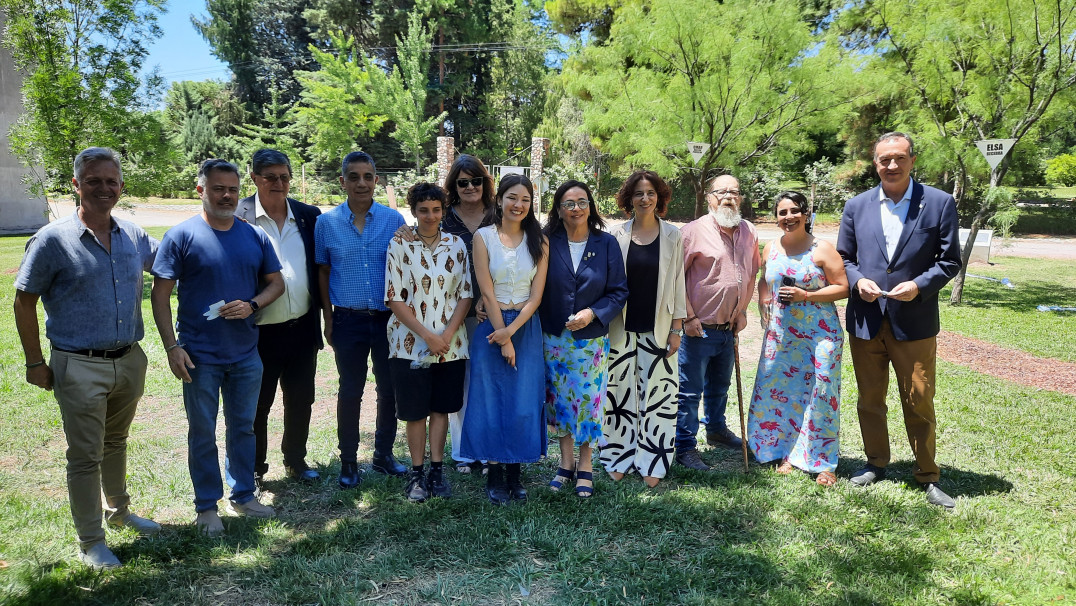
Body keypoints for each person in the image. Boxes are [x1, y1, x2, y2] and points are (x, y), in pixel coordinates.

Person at [14, 147, 160, 569]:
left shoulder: (133, 235)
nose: (104, 188)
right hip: (78, 365)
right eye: (93, 180)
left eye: (111, 181)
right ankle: (91, 541)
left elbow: (175, 265)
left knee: (116, 442)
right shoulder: (52, 240)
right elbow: (24, 302)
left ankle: (119, 512)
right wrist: (34, 362)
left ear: (121, 186)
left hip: (130, 359)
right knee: (84, 455)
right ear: (76, 184)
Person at [151, 159, 284, 537]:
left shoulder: (253, 235)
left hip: (245, 354)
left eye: (232, 189)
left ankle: (243, 494)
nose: (226, 195)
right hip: (199, 356)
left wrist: (252, 304)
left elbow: (277, 284)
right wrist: (172, 347)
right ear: (201, 191)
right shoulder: (181, 236)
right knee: (202, 431)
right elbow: (160, 298)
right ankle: (206, 506)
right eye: (217, 188)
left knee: (243, 428)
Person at [836, 132, 962, 509]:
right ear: (875, 163)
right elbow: (844, 257)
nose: (891, 165)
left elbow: (950, 260)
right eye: (884, 159)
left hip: (914, 321)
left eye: (899, 158)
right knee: (870, 399)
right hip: (866, 320)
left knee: (919, 398)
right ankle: (876, 462)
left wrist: (919, 285)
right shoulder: (856, 206)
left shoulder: (938, 203)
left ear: (912, 160)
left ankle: (927, 473)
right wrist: (858, 282)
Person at [394, 154, 496, 475]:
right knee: (458, 386)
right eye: (462, 182)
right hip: (450, 314)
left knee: (487, 382)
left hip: (494, 312)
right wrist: (405, 231)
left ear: (485, 183)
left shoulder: (497, 215)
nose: (470, 187)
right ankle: (464, 451)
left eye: (476, 180)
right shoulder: (444, 218)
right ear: (453, 186)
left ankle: (489, 447)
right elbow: (421, 229)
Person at [315, 151, 408, 489]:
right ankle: (349, 460)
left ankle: (383, 455)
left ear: (376, 181)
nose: (361, 183)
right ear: (342, 181)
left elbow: (405, 271)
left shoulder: (393, 220)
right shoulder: (326, 224)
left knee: (389, 388)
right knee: (350, 390)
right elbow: (323, 272)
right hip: (348, 320)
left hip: (388, 320)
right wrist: (328, 318)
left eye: (368, 176)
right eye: (353, 177)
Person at [747, 191, 848, 486]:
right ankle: (786, 452)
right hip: (782, 335)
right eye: (782, 212)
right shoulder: (771, 248)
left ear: (805, 215)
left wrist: (808, 295)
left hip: (821, 334)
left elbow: (843, 287)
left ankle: (823, 462)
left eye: (794, 211)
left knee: (822, 394)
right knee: (783, 393)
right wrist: (763, 304)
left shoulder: (822, 249)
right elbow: (764, 280)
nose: (788, 217)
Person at [460, 174, 549, 504]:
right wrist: (502, 335)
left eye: (525, 199)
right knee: (490, 400)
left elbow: (536, 296)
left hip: (525, 326)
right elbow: (486, 289)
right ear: (499, 200)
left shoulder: (539, 241)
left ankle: (515, 473)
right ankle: (494, 473)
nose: (519, 205)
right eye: (513, 197)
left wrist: (511, 333)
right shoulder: (483, 238)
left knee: (523, 401)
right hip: (491, 327)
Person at [236, 149, 323, 488]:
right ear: (254, 177)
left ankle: (295, 459)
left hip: (301, 327)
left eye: (284, 177)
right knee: (257, 405)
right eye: (270, 176)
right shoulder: (239, 215)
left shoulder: (308, 216)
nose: (279, 183)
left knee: (301, 399)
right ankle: (255, 468)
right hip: (257, 332)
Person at [539, 180, 628, 498]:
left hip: (590, 341)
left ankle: (586, 464)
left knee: (589, 404)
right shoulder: (547, 241)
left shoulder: (606, 243)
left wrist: (592, 313)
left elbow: (619, 291)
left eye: (581, 202)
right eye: (568, 203)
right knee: (560, 401)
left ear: (590, 206)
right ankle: (565, 463)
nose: (576, 208)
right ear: (558, 210)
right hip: (554, 338)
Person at [385, 183, 473, 502]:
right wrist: (428, 336)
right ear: (413, 211)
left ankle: (437, 471)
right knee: (414, 411)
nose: (430, 216)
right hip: (408, 343)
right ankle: (417, 474)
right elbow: (393, 298)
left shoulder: (456, 245)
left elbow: (465, 294)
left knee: (441, 409)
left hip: (452, 344)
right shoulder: (399, 244)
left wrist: (446, 335)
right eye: (423, 210)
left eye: (436, 209)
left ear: (444, 210)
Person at [601, 171, 686, 488]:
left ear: (659, 197)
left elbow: (678, 282)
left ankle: (654, 458)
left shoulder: (673, 236)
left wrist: (677, 327)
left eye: (650, 193)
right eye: (638, 193)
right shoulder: (615, 234)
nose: (645, 198)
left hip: (660, 327)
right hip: (620, 327)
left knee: (659, 396)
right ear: (629, 199)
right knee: (619, 395)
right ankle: (617, 455)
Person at [675, 174, 761, 471]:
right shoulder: (692, 232)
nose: (728, 197)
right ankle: (685, 445)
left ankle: (716, 429)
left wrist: (743, 311)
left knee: (720, 385)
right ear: (710, 197)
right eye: (721, 192)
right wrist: (688, 316)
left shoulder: (749, 231)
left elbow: (752, 274)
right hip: (697, 328)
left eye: (734, 192)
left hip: (729, 327)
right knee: (689, 391)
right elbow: (676, 278)